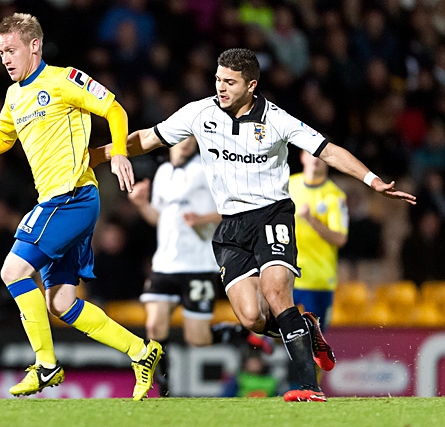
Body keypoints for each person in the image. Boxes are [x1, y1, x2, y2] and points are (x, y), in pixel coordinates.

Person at [90, 47, 416, 402]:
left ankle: (309, 386)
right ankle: (306, 327)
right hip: (231, 227)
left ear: (251, 85)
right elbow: (148, 138)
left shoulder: (276, 119)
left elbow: (329, 150)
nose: (221, 87)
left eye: (229, 82)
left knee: (277, 293)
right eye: (217, 79)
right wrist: (100, 155)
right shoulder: (199, 113)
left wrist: (372, 181)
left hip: (271, 214)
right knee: (251, 318)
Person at [0, 13, 162, 401]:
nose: (4, 58)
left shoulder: (63, 79)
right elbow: (0, 137)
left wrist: (120, 152)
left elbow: (115, 109)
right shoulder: (14, 95)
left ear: (34, 46)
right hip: (59, 201)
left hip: (71, 196)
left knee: (13, 270)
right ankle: (142, 352)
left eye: (10, 50)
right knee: (61, 302)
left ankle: (46, 365)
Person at [128, 136, 271, 397]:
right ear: (170, 142)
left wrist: (201, 218)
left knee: (198, 339)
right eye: (180, 139)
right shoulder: (162, 173)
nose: (184, 144)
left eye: (190, 140)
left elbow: (229, 208)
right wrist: (142, 204)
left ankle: (236, 332)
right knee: (154, 327)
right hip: (164, 264)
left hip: (197, 265)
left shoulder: (205, 170)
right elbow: (160, 219)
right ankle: (164, 386)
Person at [289, 149, 349, 332]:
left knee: (314, 342)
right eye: (311, 153)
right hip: (288, 275)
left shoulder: (336, 197)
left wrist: (311, 220)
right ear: (302, 157)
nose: (316, 159)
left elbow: (340, 238)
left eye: (321, 156)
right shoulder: (288, 185)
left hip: (318, 280)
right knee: (273, 330)